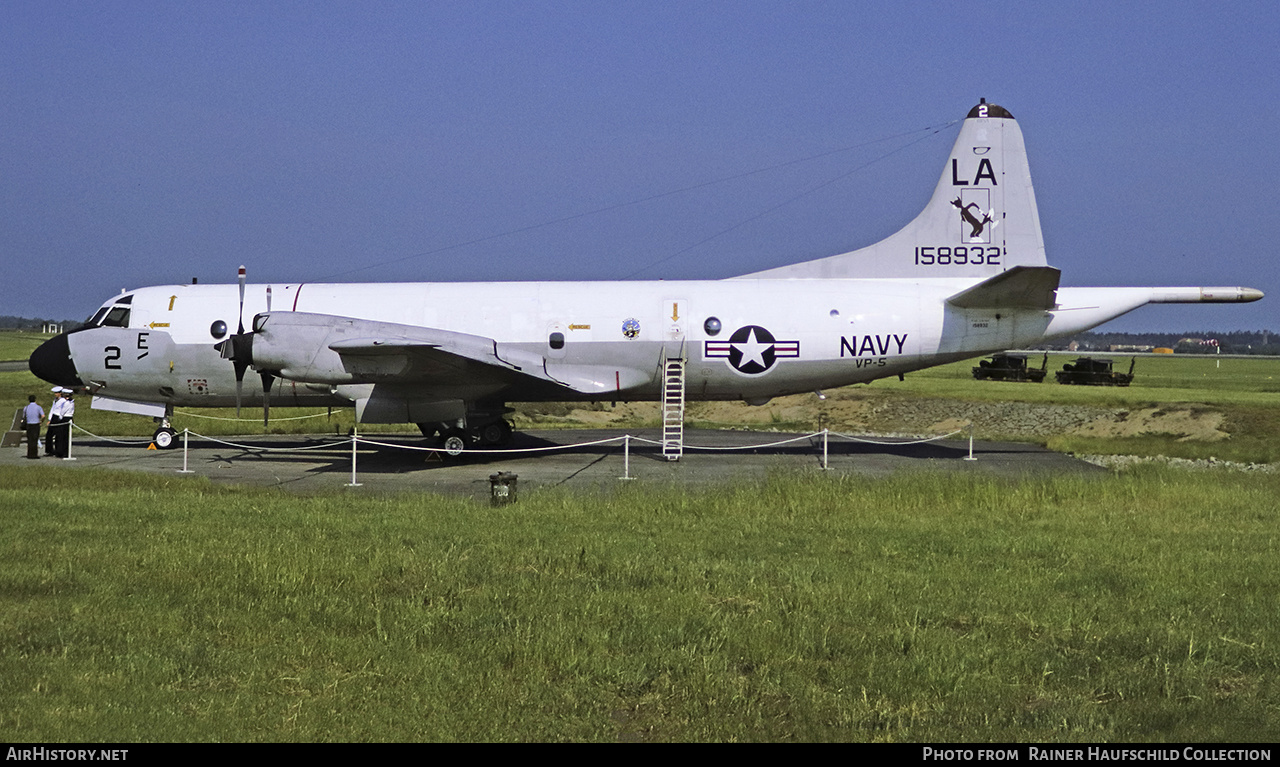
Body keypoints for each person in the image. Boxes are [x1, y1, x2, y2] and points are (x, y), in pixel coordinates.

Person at [23, 395, 45, 459]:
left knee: (30, 440)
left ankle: (29, 454)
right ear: (35, 399)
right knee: (35, 439)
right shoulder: (38, 407)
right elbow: (43, 416)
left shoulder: (26, 407)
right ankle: (34, 454)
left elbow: (24, 416)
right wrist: (41, 421)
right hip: (36, 424)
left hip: (29, 424)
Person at [46, 387, 65, 457]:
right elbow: (52, 409)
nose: (55, 394)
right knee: (49, 435)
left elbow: (62, 410)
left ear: (60, 393)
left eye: (56, 393)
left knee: (58, 435)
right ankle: (49, 450)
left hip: (58, 417)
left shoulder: (63, 401)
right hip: (54, 417)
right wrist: (49, 419)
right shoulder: (55, 400)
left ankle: (58, 450)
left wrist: (60, 417)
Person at [56, 391, 75, 458]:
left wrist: (60, 418)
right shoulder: (72, 402)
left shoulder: (67, 403)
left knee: (62, 436)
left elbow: (62, 411)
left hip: (65, 418)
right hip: (70, 418)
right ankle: (65, 452)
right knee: (66, 436)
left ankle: (62, 452)